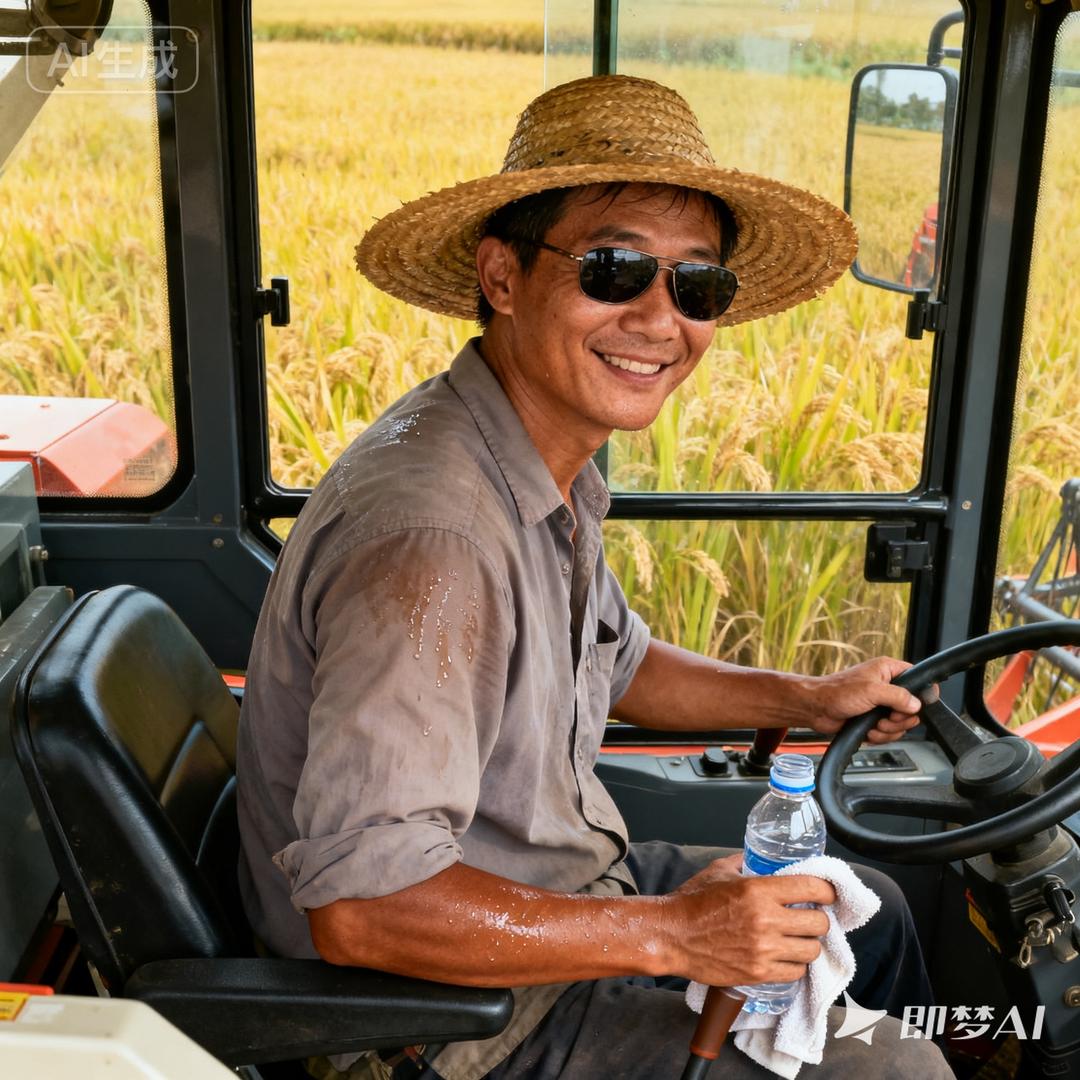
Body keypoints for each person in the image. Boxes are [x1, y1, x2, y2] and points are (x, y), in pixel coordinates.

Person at [236, 75, 953, 1079]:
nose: (662, 321)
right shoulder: (437, 539)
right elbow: (364, 907)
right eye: (616, 269)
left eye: (697, 286)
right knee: (897, 1070)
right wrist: (673, 934)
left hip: (562, 898)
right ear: (501, 275)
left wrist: (804, 697)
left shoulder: (534, 464)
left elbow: (618, 665)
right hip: (447, 1024)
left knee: (868, 919)